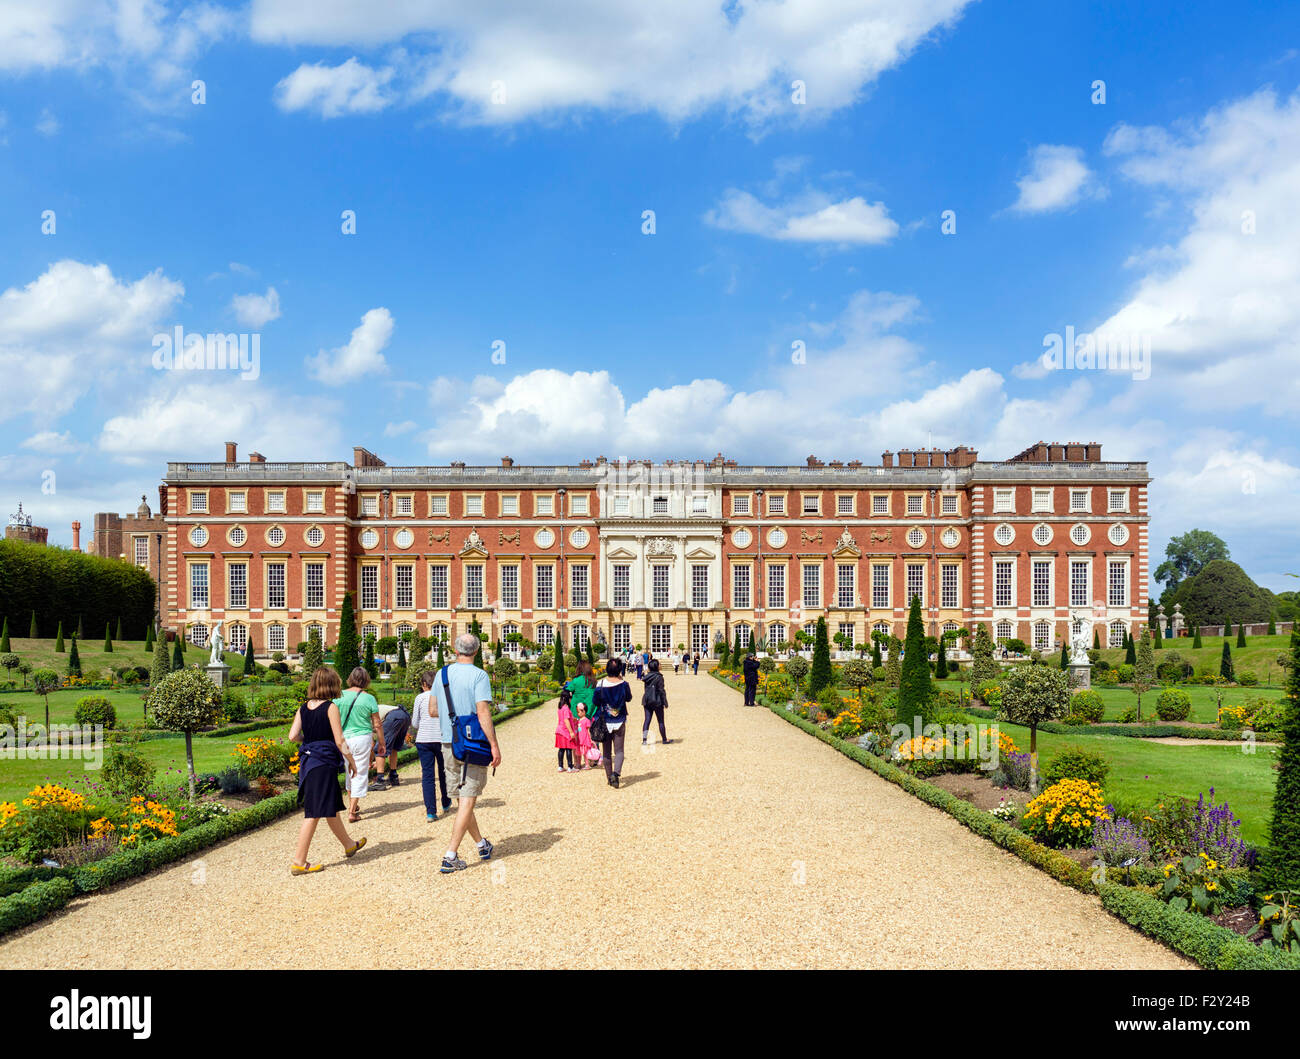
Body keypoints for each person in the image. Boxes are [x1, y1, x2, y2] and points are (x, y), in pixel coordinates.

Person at [433, 632, 502, 873]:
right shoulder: (480, 675)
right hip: (472, 744)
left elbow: (432, 709)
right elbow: (483, 712)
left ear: (455, 649)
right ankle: (450, 855)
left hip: (447, 742)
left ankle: (482, 845)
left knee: (464, 799)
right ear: (476, 651)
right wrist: (494, 745)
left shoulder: (442, 674)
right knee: (468, 799)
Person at [288, 667, 366, 873]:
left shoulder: (303, 707)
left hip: (309, 761)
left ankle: (349, 844)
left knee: (329, 807)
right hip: (323, 762)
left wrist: (311, 740)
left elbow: (293, 736)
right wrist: (352, 762)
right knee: (313, 813)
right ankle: (299, 861)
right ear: (332, 685)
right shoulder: (330, 707)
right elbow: (340, 740)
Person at [336, 669, 384, 823]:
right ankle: (352, 811)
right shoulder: (369, 698)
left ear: (350, 679)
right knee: (360, 772)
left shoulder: (339, 696)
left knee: (349, 769)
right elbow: (377, 724)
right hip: (362, 738)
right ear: (366, 680)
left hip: (343, 740)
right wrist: (381, 742)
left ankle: (353, 805)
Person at [412, 670, 452, 821]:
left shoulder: (420, 698)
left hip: (424, 740)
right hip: (442, 738)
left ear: (424, 684)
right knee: (444, 772)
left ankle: (431, 811)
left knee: (427, 775)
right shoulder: (445, 696)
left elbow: (415, 722)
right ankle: (446, 802)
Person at [593, 657, 633, 788]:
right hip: (619, 720)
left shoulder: (601, 684)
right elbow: (629, 698)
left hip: (605, 720)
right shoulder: (624, 684)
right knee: (619, 751)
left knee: (607, 752)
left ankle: (609, 777)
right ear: (620, 670)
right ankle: (616, 774)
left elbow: (595, 702)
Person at [373, 694, 412, 788]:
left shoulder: (362, 720)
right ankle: (393, 776)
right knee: (394, 747)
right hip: (405, 715)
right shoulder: (372, 709)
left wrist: (371, 762)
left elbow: (371, 743)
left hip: (393, 717)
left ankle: (380, 780)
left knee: (380, 747)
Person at [641, 658, 670, 745]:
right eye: (659, 664)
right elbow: (661, 691)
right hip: (657, 700)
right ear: (656, 666)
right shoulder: (659, 677)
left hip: (647, 700)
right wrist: (665, 702)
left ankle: (644, 740)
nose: (660, 665)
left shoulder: (646, 676)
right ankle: (664, 739)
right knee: (660, 721)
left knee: (647, 720)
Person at [565, 660, 596, 728]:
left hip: (577, 711)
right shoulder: (593, 680)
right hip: (590, 709)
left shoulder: (576, 680)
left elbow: (566, 691)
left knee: (578, 730)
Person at [555, 698, 577, 771]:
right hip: (565, 731)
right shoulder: (566, 707)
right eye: (570, 698)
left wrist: (573, 719)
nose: (571, 699)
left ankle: (560, 766)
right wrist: (571, 732)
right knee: (568, 749)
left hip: (559, 730)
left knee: (561, 749)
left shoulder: (560, 707)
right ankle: (570, 767)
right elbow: (566, 720)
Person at [575, 702, 595, 769]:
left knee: (585, 753)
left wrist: (590, 739)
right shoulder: (578, 720)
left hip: (585, 739)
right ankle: (578, 764)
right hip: (579, 740)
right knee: (578, 753)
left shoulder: (586, 720)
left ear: (584, 711)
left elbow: (588, 730)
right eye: (577, 712)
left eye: (579, 712)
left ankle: (587, 764)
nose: (578, 713)